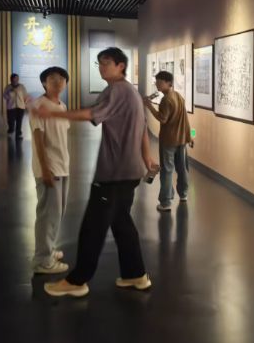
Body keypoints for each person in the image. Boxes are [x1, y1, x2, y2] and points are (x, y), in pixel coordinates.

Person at [33, 47, 158, 298]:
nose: (101, 67)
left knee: (93, 227)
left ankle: (77, 281)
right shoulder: (131, 91)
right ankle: (135, 274)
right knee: (121, 223)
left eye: (106, 63)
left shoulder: (116, 90)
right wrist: (145, 158)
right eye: (99, 63)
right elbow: (142, 127)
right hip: (130, 172)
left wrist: (53, 112)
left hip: (113, 173)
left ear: (120, 66)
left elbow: (92, 113)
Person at [29, 67, 71, 274]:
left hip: (63, 166)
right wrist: (45, 169)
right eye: (52, 78)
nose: (57, 82)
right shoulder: (39, 105)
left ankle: (48, 249)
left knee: (57, 213)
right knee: (48, 215)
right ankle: (42, 260)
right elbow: (38, 138)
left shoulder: (62, 106)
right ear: (44, 83)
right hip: (50, 168)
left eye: (62, 78)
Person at [144, 71, 193, 212]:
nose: (157, 84)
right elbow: (186, 119)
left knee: (167, 170)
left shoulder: (166, 100)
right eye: (157, 82)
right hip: (181, 139)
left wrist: (149, 105)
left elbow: (162, 119)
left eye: (160, 82)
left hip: (168, 140)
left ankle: (165, 202)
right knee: (182, 168)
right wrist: (190, 136)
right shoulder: (178, 96)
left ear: (169, 83)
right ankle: (183, 194)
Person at [3, 73, 28, 138]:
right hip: (11, 106)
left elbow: (25, 95)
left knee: (19, 120)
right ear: (11, 79)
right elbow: (4, 95)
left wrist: (26, 103)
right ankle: (11, 130)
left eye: (17, 78)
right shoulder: (8, 87)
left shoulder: (21, 86)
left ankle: (18, 133)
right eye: (15, 78)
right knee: (11, 120)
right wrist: (9, 97)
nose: (16, 79)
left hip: (20, 106)